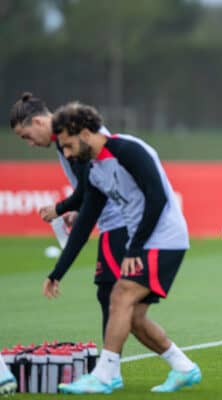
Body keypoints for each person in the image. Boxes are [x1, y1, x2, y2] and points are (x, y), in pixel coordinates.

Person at [45, 102, 200, 394]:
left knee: (119, 295)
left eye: (67, 145)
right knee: (135, 318)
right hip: (145, 241)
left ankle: (105, 376)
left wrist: (133, 249)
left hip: (164, 238)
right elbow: (85, 221)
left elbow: (157, 199)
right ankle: (184, 368)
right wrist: (58, 272)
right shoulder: (94, 170)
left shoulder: (127, 150)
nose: (65, 154)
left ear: (86, 133)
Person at [10, 93, 128, 388]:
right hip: (112, 219)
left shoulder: (75, 136)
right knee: (112, 295)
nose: (30, 143)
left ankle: (110, 372)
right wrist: (74, 209)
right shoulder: (68, 140)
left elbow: (92, 192)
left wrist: (62, 210)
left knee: (114, 297)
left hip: (121, 220)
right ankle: (114, 369)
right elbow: (90, 192)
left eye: (27, 136)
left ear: (38, 122)